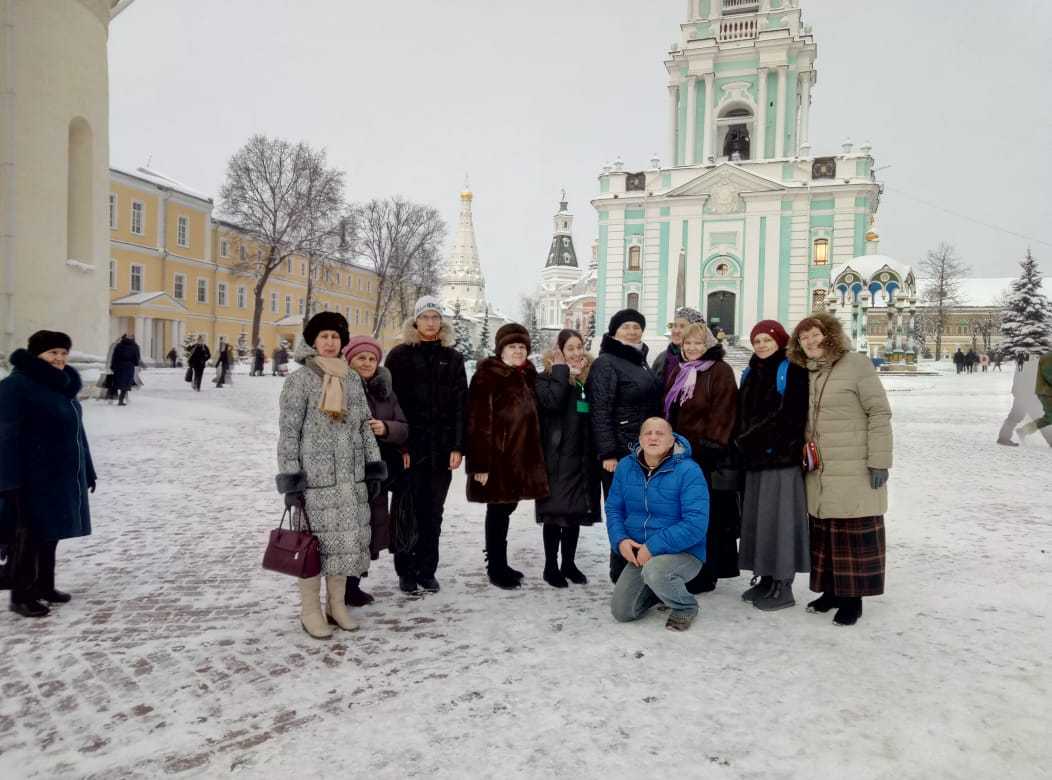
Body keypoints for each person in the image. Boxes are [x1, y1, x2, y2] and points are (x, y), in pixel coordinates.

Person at [276, 312, 387, 639]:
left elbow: (364, 426)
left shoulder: (351, 378)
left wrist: (372, 468)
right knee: (314, 547)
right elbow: (289, 433)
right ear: (313, 341)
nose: (329, 342)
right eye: (323, 336)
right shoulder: (298, 381)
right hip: (315, 482)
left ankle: (335, 606)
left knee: (344, 547)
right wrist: (291, 479)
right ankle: (310, 611)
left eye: (335, 337)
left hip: (350, 480)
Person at [789, 312, 893, 627]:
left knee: (852, 533)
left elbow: (879, 412)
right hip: (820, 467)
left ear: (830, 335)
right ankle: (831, 592)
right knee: (825, 532)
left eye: (815, 334)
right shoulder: (808, 371)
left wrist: (879, 460)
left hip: (854, 466)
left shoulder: (856, 364)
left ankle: (852, 601)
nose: (809, 341)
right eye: (803, 337)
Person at [0, 331, 96, 618]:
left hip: (59, 475)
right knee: (28, 535)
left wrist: (88, 470)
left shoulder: (62, 385)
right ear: (36, 354)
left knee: (50, 533)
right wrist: (8, 481)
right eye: (53, 352)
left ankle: (44, 585)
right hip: (29, 476)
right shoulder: (16, 386)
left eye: (64, 352)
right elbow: (4, 436)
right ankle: (21, 595)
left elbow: (78, 433)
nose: (59, 358)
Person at [385, 297, 468, 594]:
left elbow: (461, 405)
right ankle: (406, 570)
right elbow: (390, 404)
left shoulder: (453, 358)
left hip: (441, 450)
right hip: (409, 448)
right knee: (407, 508)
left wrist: (458, 446)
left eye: (435, 317)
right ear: (415, 321)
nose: (431, 323)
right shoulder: (399, 356)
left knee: (433, 512)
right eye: (425, 317)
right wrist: (400, 448)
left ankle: (427, 569)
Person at [466, 324, 549, 589]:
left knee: (507, 508)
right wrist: (480, 464)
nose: (518, 351)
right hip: (497, 459)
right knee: (498, 510)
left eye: (522, 347)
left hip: (521, 459)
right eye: (512, 346)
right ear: (501, 349)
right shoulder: (487, 375)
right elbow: (478, 422)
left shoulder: (528, 374)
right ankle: (496, 567)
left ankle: (500, 562)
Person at [606, 418, 709, 632]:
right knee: (622, 612)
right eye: (648, 433)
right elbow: (614, 509)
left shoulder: (689, 471)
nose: (653, 437)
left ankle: (685, 606)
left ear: (672, 440)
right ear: (640, 439)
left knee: (655, 570)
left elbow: (696, 524)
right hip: (641, 553)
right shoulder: (625, 466)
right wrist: (620, 540)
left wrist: (653, 547)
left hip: (684, 552)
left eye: (660, 433)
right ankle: (658, 591)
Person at [735, 320, 810, 611]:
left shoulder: (791, 369)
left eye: (767, 340)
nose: (762, 345)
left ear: (780, 341)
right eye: (757, 341)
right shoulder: (751, 371)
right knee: (760, 521)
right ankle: (766, 577)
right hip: (754, 460)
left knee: (780, 522)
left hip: (780, 459)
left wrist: (754, 440)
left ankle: (783, 584)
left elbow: (791, 415)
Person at [586, 308, 664, 583]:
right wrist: (608, 452)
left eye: (636, 326)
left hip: (644, 450)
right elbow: (600, 410)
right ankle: (620, 572)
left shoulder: (639, 361)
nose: (632, 331)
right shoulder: (606, 363)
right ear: (614, 331)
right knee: (623, 512)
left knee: (642, 510)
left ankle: (639, 567)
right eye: (626, 326)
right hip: (621, 452)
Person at [663, 322, 740, 594]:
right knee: (684, 516)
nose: (693, 348)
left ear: (708, 344)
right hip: (679, 456)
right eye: (688, 343)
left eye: (698, 343)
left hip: (705, 459)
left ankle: (706, 573)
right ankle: (687, 567)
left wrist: (709, 447)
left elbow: (724, 412)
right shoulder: (680, 370)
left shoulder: (719, 371)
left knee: (706, 517)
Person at [342, 336, 410, 605]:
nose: (367, 363)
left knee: (369, 526)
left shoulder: (385, 391)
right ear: (349, 360)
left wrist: (386, 428)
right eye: (361, 358)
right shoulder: (340, 386)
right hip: (347, 469)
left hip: (377, 471)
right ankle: (342, 588)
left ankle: (353, 585)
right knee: (349, 528)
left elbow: (403, 427)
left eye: (372, 358)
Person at [534, 329, 601, 587]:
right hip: (556, 458)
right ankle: (550, 566)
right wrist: (562, 371)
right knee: (554, 513)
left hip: (582, 458)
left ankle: (569, 564)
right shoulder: (545, 377)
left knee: (574, 513)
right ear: (559, 351)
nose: (576, 353)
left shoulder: (588, 378)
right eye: (570, 348)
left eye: (579, 347)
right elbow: (553, 403)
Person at [651, 306, 705, 386]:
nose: (676, 331)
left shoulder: (706, 361)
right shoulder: (662, 358)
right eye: (675, 325)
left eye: (682, 326)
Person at [1016, 350, 1052, 444]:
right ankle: (1023, 431)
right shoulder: (1048, 358)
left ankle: (1023, 431)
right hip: (1046, 392)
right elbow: (1050, 376)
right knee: (1050, 417)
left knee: (1049, 418)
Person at [110, 333, 141, 406]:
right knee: (126, 384)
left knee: (117, 382)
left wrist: (113, 366)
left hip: (119, 366)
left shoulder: (119, 345)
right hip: (129, 367)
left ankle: (112, 398)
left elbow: (114, 356)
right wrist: (135, 363)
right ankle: (121, 400)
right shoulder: (134, 346)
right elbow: (137, 358)